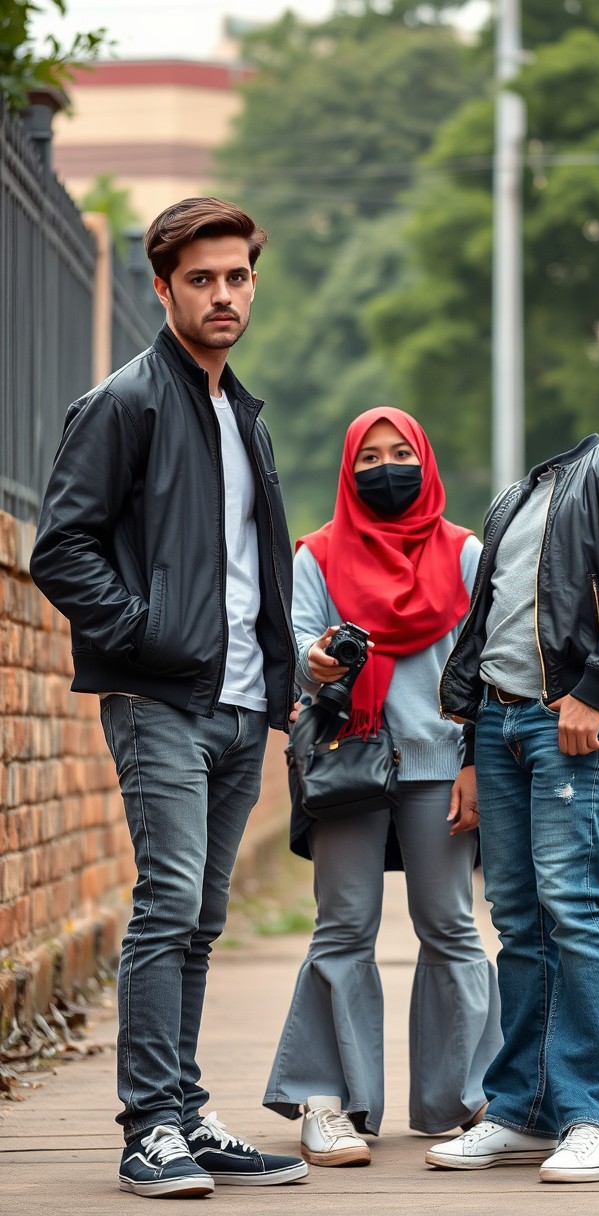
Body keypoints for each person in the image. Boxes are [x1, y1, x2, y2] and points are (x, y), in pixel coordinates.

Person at [29, 197, 307, 1198]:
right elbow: (58, 546)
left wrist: (280, 677)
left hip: (237, 710)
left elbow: (248, 567)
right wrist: (151, 636)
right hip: (163, 700)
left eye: (237, 276)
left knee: (201, 916)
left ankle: (185, 1112)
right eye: (202, 279)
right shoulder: (128, 401)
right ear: (163, 287)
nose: (223, 294)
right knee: (167, 903)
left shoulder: (243, 414)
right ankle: (148, 1125)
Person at [429, 433, 599, 1184]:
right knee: (517, 916)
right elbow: (491, 626)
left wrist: (597, 691)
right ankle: (524, 1108)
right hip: (501, 723)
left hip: (569, 715)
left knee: (571, 904)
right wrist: (473, 747)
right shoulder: (512, 499)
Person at [262, 406, 501, 1165]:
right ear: (347, 469)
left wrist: (473, 765)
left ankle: (466, 1101)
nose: (385, 468)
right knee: (344, 927)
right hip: (348, 760)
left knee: (452, 927)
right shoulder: (320, 555)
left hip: (439, 763)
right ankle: (325, 1102)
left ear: (425, 460)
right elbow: (297, 643)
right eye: (369, 458)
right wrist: (320, 660)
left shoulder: (466, 554)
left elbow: (489, 668)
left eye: (400, 453)